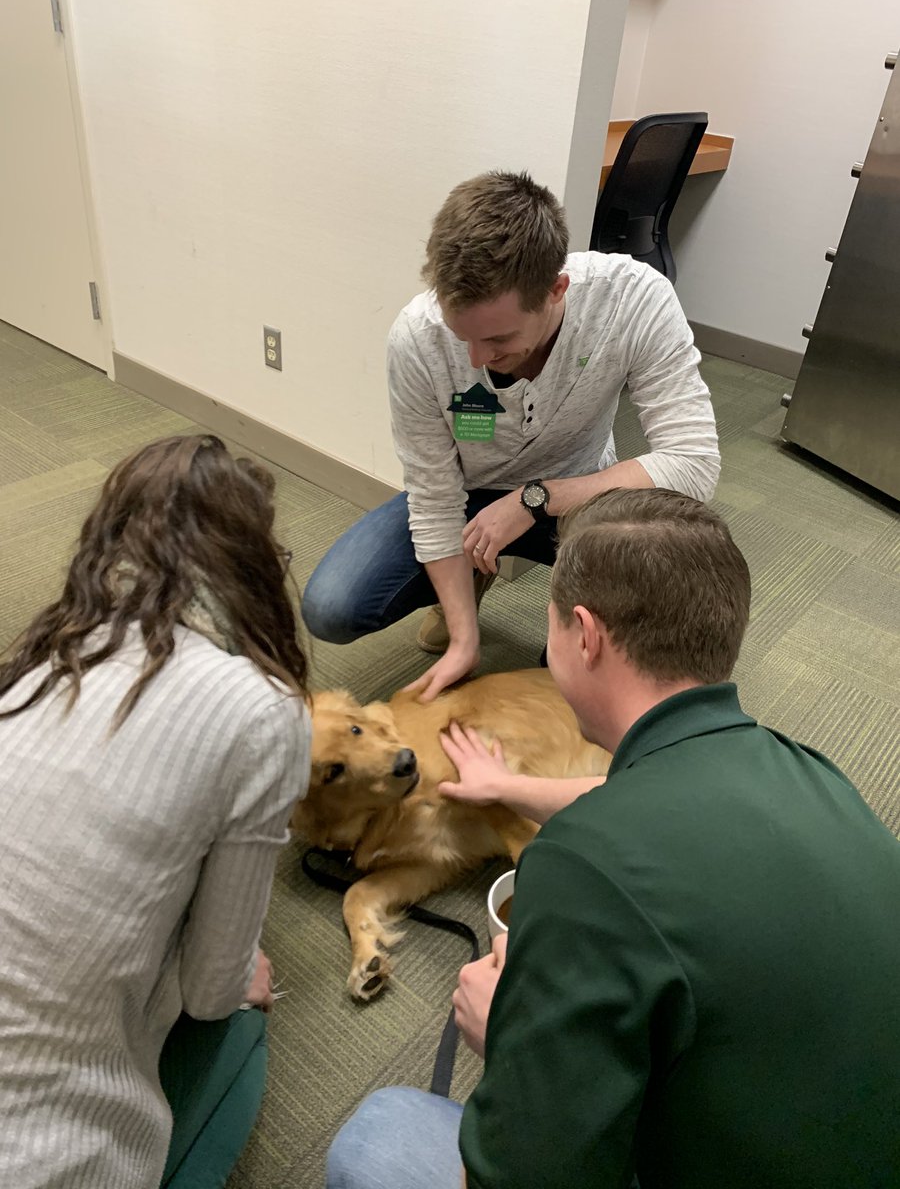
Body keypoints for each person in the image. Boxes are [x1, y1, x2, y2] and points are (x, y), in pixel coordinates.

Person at [326, 488, 900, 1189]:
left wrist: (504, 1030)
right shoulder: (814, 773)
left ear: (586, 636)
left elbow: (521, 1174)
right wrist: (512, 789)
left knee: (375, 1138)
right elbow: (638, 796)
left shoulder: (581, 866)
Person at [0, 434, 311, 1188]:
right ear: (255, 563)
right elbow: (212, 992)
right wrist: (233, 967)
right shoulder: (262, 711)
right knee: (244, 1013)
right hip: (48, 1155)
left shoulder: (41, 661)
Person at [301, 171, 720, 702]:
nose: (477, 360)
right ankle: (464, 587)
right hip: (468, 493)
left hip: (581, 493)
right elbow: (433, 496)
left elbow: (695, 463)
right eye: (463, 337)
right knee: (332, 607)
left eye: (498, 338)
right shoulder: (416, 338)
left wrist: (534, 499)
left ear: (556, 290)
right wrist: (463, 640)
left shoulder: (632, 300)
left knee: (573, 676)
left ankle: (538, 590)